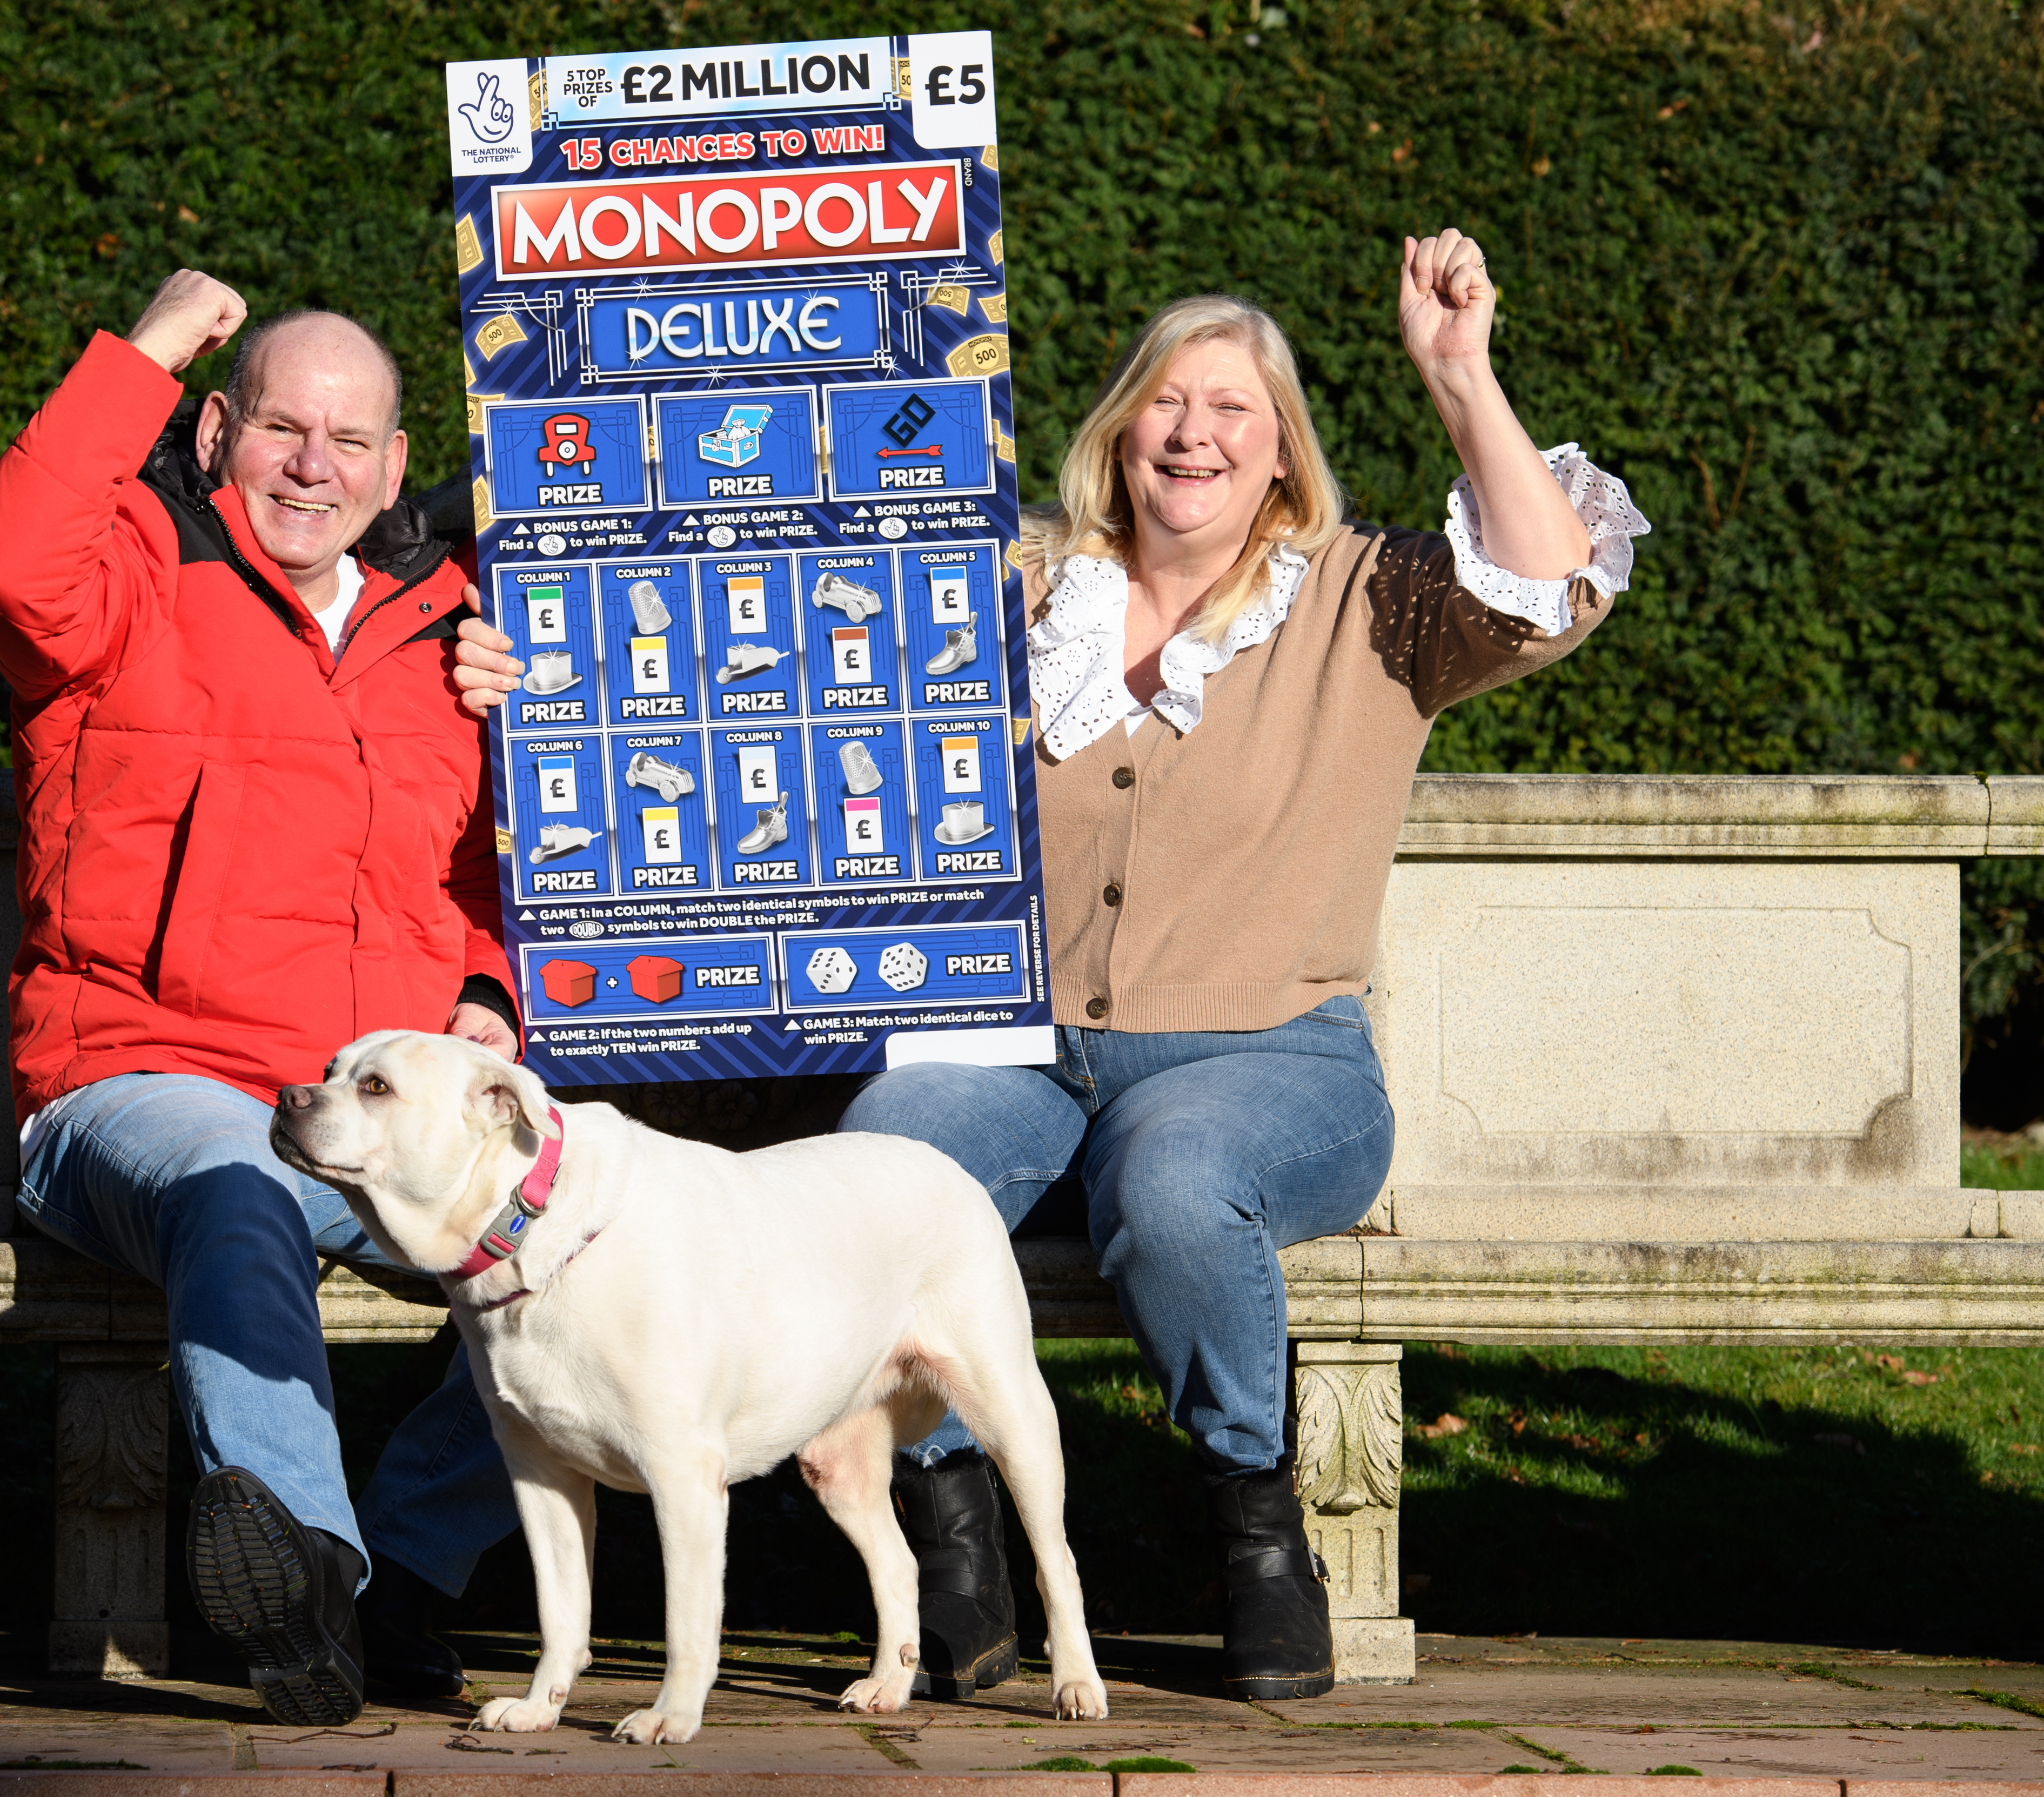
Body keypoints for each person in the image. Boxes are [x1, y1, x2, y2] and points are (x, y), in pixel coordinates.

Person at [453, 229, 1648, 1702]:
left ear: (1283, 454)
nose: (1195, 432)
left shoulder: (1365, 595)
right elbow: (723, 618)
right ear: (1119, 428)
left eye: (1235, 410)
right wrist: (535, 666)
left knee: (1173, 1182)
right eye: (1167, 400)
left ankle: (1258, 1529)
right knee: (891, 1152)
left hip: (1268, 1056)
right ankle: (952, 1534)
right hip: (1017, 1052)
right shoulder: (1014, 586)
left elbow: (1553, 588)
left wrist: (1457, 372)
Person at [0, 269, 527, 1724]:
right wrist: (143, 349)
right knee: (234, 1180)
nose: (314, 467)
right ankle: (306, 1595)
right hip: (141, 1084)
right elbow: (10, 564)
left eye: (351, 442)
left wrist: (480, 981)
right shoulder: (130, 568)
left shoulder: (446, 633)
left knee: (584, 1229)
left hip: (380, 1111)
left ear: (398, 467)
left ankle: (406, 1565)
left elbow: (480, 870)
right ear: (215, 433)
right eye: (281, 428)